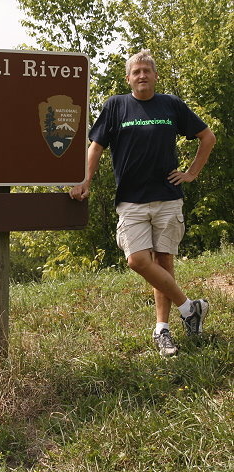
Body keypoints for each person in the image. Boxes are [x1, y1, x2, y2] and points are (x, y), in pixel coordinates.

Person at [69, 49, 216, 356]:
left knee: (164, 264)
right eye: (136, 71)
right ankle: (190, 308)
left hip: (167, 198)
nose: (142, 75)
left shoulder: (170, 104)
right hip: (131, 201)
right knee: (137, 261)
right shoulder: (116, 105)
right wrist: (85, 179)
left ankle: (163, 330)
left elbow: (207, 137)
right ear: (128, 78)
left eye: (147, 70)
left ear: (155, 75)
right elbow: (95, 147)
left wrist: (191, 173)